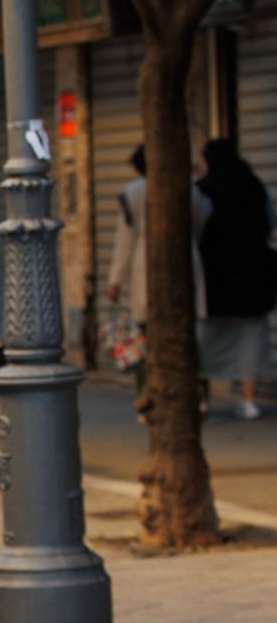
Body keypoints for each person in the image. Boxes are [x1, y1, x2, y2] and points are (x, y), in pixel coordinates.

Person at [106, 145, 210, 411]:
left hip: (145, 264)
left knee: (146, 337)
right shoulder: (190, 188)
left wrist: (115, 280)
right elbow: (203, 217)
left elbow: (124, 240)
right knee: (189, 335)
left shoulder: (131, 192)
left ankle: (148, 395)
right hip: (187, 259)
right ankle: (199, 394)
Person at [195, 137, 275, 421]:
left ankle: (201, 398)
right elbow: (270, 222)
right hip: (252, 275)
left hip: (213, 279)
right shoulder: (254, 186)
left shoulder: (203, 189)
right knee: (251, 341)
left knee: (203, 341)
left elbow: (195, 228)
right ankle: (248, 400)